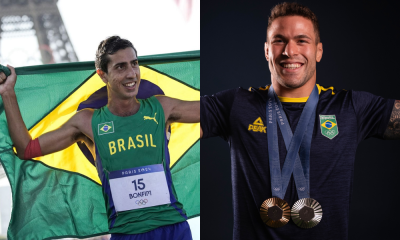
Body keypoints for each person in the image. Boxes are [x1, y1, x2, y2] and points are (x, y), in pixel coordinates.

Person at [200, 2, 400, 240]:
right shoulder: (236, 105)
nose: (289, 51)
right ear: (266, 50)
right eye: (279, 40)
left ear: (318, 51)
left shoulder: (349, 107)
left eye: (302, 40)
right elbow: (174, 114)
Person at [0, 36, 199, 240]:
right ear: (102, 75)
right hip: (127, 233)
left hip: (173, 228)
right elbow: (26, 149)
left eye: (134, 64)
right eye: (120, 67)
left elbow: (214, 110)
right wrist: (8, 93)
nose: (131, 73)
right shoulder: (87, 122)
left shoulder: (162, 107)